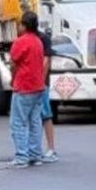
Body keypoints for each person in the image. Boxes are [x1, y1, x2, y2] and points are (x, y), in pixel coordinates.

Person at [8, 11, 46, 168]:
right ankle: (35, 155)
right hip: (38, 86)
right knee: (35, 122)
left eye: (20, 24)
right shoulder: (38, 41)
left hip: (23, 86)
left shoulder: (20, 42)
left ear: (24, 25)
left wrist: (13, 79)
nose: (18, 26)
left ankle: (22, 157)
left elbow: (13, 64)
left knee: (18, 123)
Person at [37, 24, 59, 163]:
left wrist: (41, 81)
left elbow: (46, 61)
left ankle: (50, 148)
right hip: (36, 83)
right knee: (42, 116)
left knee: (44, 115)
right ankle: (39, 148)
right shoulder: (37, 38)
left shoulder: (42, 38)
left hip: (39, 83)